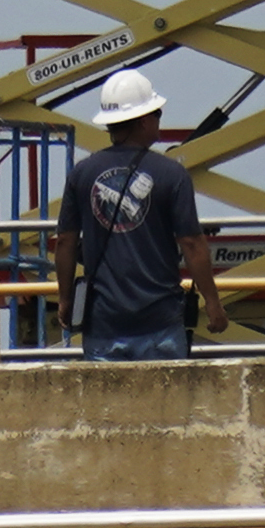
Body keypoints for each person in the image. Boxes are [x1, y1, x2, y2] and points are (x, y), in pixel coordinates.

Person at [54, 72, 214, 361]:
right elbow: (192, 244)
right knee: (167, 405)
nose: (159, 120)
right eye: (157, 113)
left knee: (106, 406)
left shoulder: (82, 173)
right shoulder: (172, 174)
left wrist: (65, 299)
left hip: (103, 321)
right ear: (143, 120)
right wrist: (213, 305)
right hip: (160, 321)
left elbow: (65, 241)